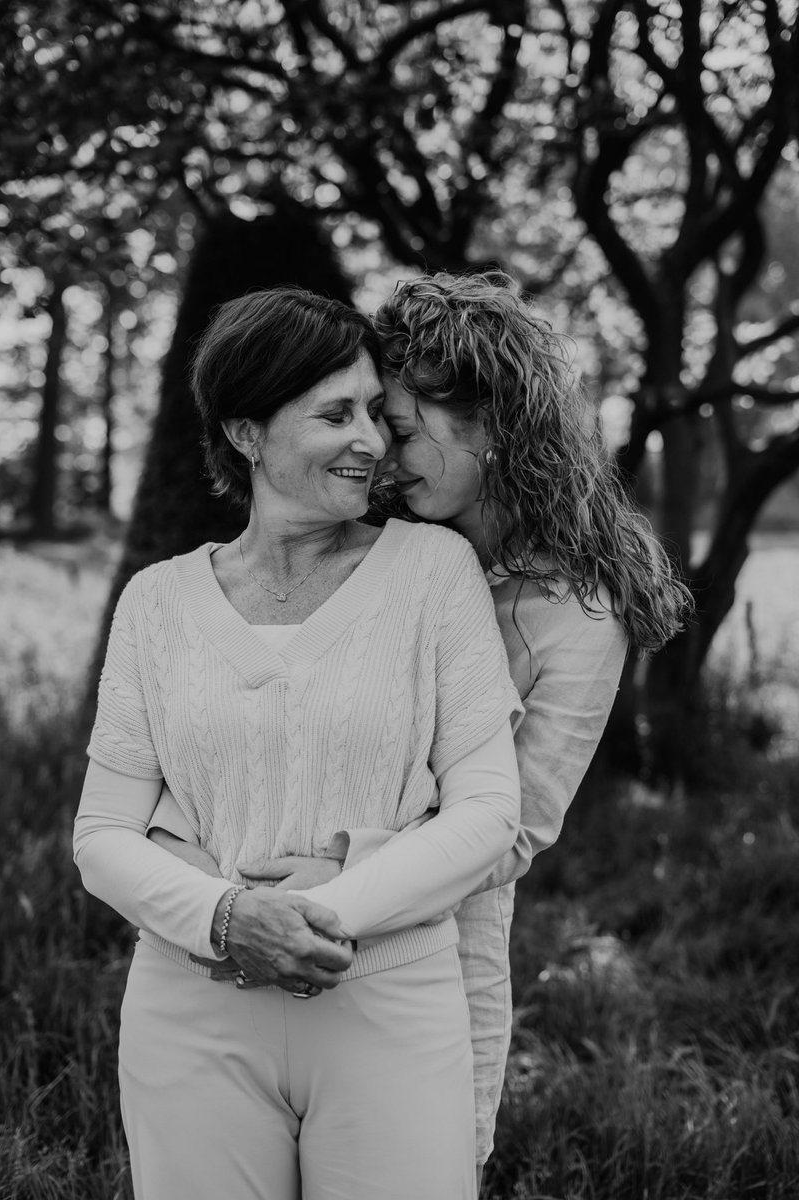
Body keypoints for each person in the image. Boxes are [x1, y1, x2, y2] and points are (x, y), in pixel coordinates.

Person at [151, 271, 692, 1188]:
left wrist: (344, 874)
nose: (378, 453)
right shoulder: (370, 544)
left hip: (433, 947)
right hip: (248, 929)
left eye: (401, 430)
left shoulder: (575, 609)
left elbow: (514, 825)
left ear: (494, 425)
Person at [73, 286, 523, 1200]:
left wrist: (326, 920)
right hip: (191, 1008)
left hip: (389, 999)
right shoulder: (157, 603)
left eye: (373, 411)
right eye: (335, 413)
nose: (373, 439)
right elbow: (101, 836)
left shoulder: (434, 575)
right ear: (246, 432)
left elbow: (487, 811)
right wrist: (229, 923)